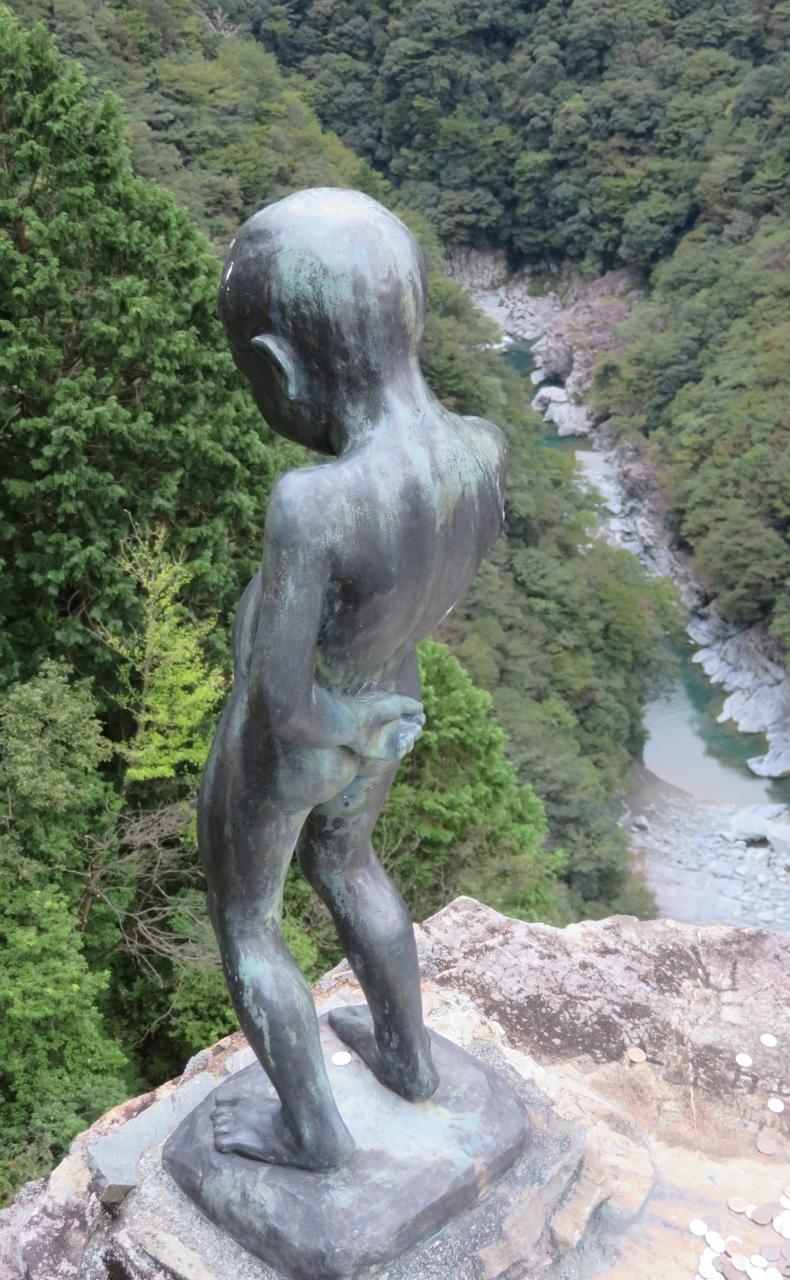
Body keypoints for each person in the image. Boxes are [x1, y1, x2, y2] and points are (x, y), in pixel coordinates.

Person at [198, 188, 507, 1170]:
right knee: (351, 865)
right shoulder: (480, 451)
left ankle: (312, 1130)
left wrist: (344, 724)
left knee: (248, 919)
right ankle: (410, 1061)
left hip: (304, 738)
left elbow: (282, 699)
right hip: (391, 697)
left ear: (279, 369)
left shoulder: (315, 502)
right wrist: (373, 723)